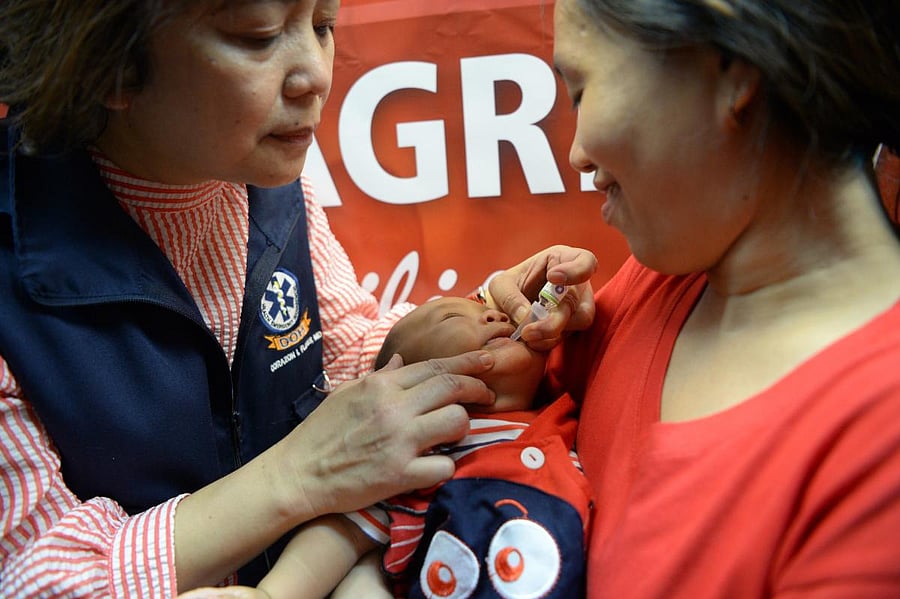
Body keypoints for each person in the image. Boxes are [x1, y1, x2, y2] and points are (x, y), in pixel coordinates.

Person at [0, 1, 598, 596]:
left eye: (324, 26)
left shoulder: (271, 186)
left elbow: (341, 354)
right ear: (108, 66)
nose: (316, 73)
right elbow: (34, 574)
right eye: (257, 36)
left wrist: (478, 317)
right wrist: (298, 474)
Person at [531, 0, 900, 596]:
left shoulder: (878, 441)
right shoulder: (662, 282)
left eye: (579, 92)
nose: (576, 154)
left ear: (731, 70)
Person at [256, 296, 593, 598]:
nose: (497, 318)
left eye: (495, 312)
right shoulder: (412, 454)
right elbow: (340, 536)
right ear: (405, 384)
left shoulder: (568, 418)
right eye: (451, 317)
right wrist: (272, 593)